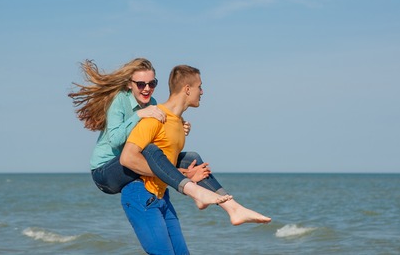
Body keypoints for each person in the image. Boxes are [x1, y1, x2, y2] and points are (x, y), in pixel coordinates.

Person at [69, 58, 270, 223]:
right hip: (105, 172)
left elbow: (161, 142)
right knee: (150, 150)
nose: (147, 88)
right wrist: (139, 115)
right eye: (141, 84)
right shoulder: (120, 100)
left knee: (192, 157)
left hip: (132, 162)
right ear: (130, 85)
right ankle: (194, 190)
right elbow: (115, 141)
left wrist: (179, 125)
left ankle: (233, 208)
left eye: (152, 83)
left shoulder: (153, 104)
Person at [119, 65, 270, 254]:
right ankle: (223, 204)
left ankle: (232, 207)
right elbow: (127, 158)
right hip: (141, 194)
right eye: (200, 86)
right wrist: (182, 177)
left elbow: (165, 164)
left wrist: (186, 174)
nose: (202, 91)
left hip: (161, 195)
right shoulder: (154, 118)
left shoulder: (178, 123)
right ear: (187, 89)